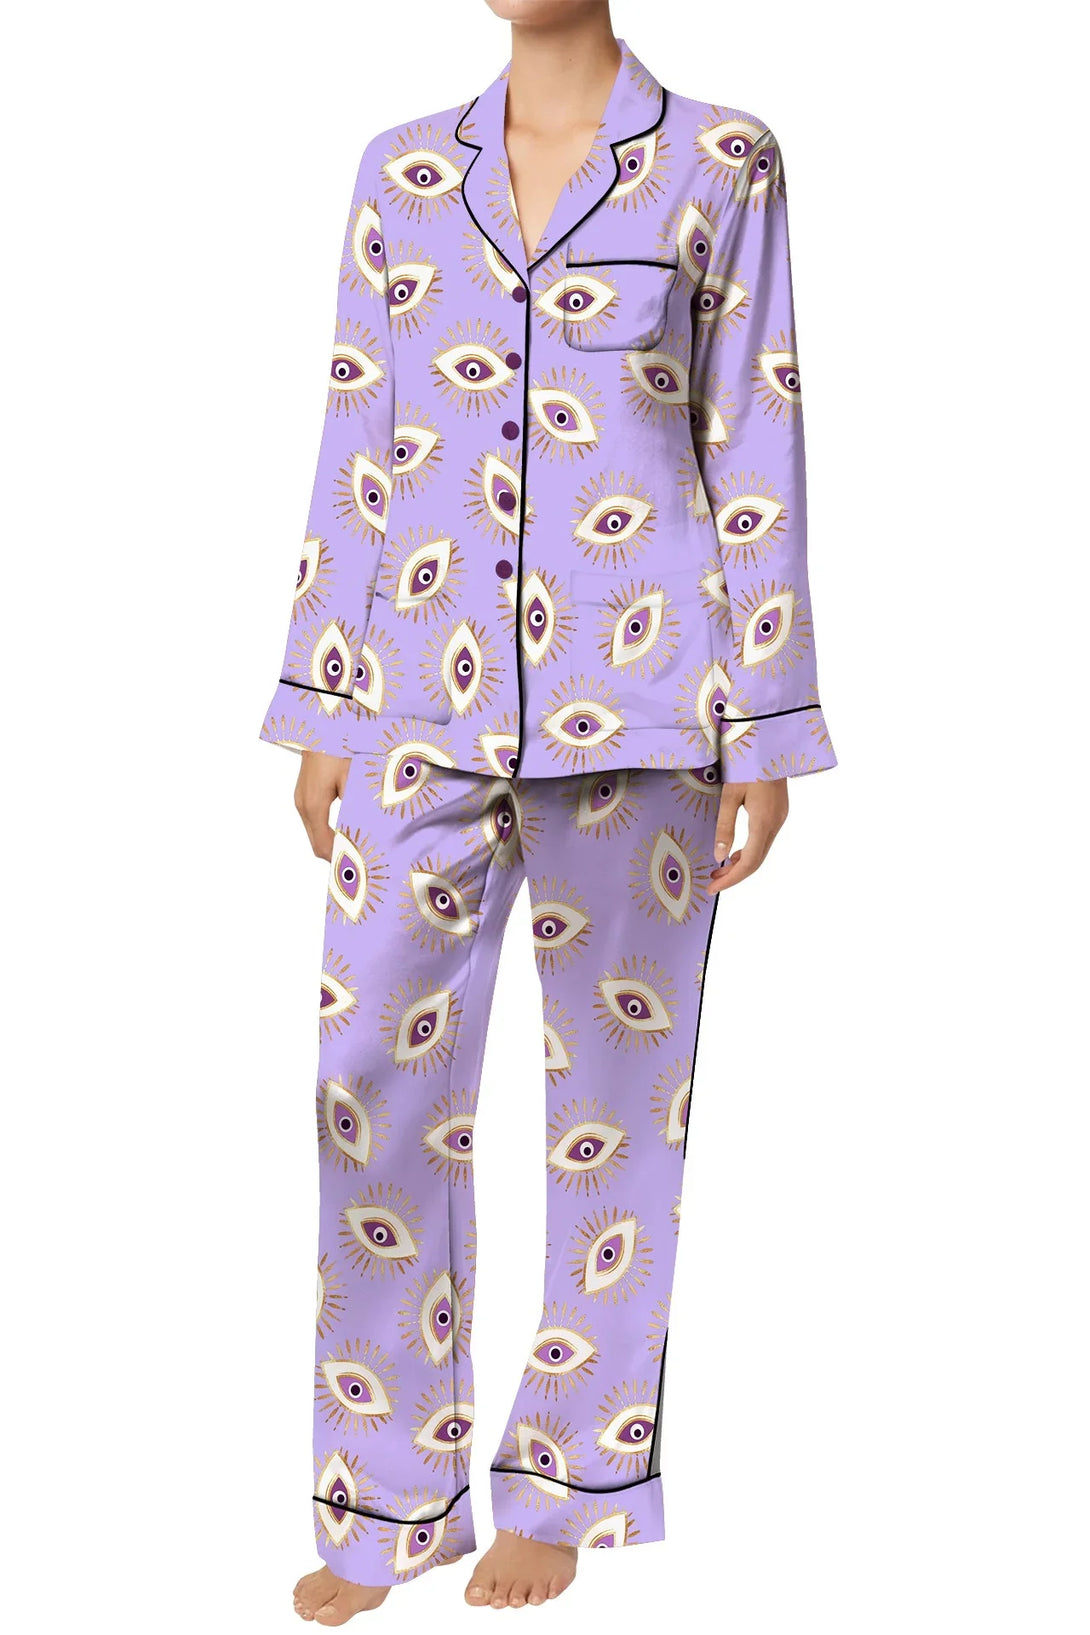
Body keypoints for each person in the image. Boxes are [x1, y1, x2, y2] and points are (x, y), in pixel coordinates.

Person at [258, 0, 836, 1620]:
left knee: (620, 1118)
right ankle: (386, 1499)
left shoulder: (719, 161)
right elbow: (361, 437)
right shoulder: (400, 173)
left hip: (642, 710)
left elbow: (755, 441)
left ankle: (569, 1483)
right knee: (367, 1085)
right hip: (416, 701)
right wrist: (322, 699)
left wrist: (766, 720)